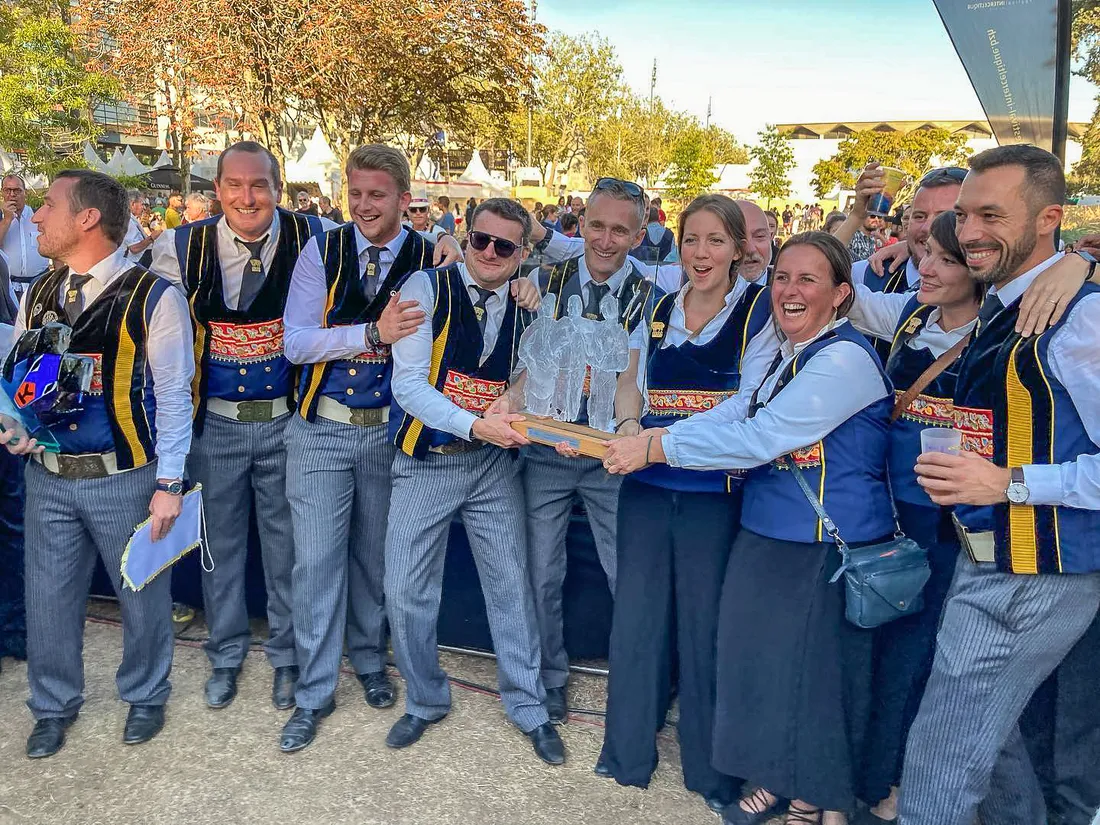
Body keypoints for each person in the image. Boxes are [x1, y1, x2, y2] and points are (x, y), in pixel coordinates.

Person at [606, 230, 895, 824]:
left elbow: (762, 437)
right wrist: (656, 435)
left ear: (842, 293)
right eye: (782, 277)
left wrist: (657, 449)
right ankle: (770, 777)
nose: (789, 290)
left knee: (813, 678)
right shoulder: (797, 353)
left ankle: (813, 798)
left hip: (824, 541)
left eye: (808, 280)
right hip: (771, 531)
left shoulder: (842, 358)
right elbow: (737, 409)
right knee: (761, 666)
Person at [900, 145, 1100, 825]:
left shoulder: (1080, 316)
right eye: (963, 214)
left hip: (1034, 572)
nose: (969, 230)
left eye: (992, 214)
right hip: (993, 558)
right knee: (992, 744)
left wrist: (1006, 481)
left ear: (1049, 218)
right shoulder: (1008, 300)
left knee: (940, 757)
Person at [280, 144, 471, 753]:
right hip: (322, 429)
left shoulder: (433, 256)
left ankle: (367, 661)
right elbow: (295, 343)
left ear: (403, 198)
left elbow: (492, 285)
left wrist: (520, 286)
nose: (364, 205)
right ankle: (313, 692)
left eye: (377, 195)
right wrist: (371, 334)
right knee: (314, 562)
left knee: (375, 560)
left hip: (392, 431)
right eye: (356, 193)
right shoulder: (322, 248)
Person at [4, 169, 194, 758]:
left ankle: (145, 693)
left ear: (86, 218)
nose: (35, 215)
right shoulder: (39, 292)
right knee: (49, 596)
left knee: (140, 592)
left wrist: (170, 483)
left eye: (49, 206)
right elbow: (24, 375)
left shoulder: (154, 297)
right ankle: (53, 704)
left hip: (125, 475)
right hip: (50, 477)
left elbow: (174, 394)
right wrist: (17, 422)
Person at [597, 195, 777, 814]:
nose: (701, 254)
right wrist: (625, 422)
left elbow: (747, 404)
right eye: (691, 240)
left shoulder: (759, 311)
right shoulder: (657, 306)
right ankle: (626, 753)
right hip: (646, 485)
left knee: (706, 629)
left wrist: (657, 443)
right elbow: (630, 378)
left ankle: (711, 767)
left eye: (715, 241)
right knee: (638, 619)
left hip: (712, 492)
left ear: (738, 248)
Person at [384, 197, 565, 766]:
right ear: (464, 235)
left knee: (511, 585)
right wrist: (476, 423)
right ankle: (424, 698)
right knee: (405, 589)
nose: (489, 253)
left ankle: (529, 706)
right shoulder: (424, 287)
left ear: (523, 253)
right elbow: (407, 386)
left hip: (491, 468)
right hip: (427, 461)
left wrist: (515, 394)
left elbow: (539, 368)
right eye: (480, 240)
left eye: (505, 246)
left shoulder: (530, 298)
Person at [150, 141, 329, 714]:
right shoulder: (179, 245)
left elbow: (390, 250)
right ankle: (225, 655)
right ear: (218, 189)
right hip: (217, 427)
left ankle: (286, 658)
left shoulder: (317, 235)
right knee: (219, 549)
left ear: (278, 188)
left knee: (288, 549)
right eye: (234, 185)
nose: (246, 197)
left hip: (286, 423)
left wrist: (448, 242)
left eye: (259, 185)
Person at [501, 177, 655, 724]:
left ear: (639, 235)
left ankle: (635, 686)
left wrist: (631, 429)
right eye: (596, 225)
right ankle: (548, 679)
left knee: (625, 574)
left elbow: (630, 377)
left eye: (620, 230)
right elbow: (527, 364)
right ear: (581, 223)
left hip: (607, 456)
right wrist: (506, 404)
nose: (606, 240)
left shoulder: (649, 293)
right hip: (544, 451)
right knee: (541, 570)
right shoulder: (544, 280)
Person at [0, 175, 50, 304]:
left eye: (17, 190)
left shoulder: (39, 216)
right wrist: (6, 220)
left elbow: (55, 248)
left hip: (39, 285)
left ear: (25, 192)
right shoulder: (2, 219)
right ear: (2, 193)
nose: (12, 194)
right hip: (8, 287)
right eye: (7, 190)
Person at [734, 200, 774, 286]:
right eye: (739, 238)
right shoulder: (701, 293)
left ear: (770, 238)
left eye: (759, 236)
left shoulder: (788, 291)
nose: (750, 249)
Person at [123, 190, 159, 264]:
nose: (143, 208)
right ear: (133, 204)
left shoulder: (131, 218)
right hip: (136, 262)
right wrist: (152, 238)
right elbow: (134, 248)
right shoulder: (128, 220)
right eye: (142, 204)